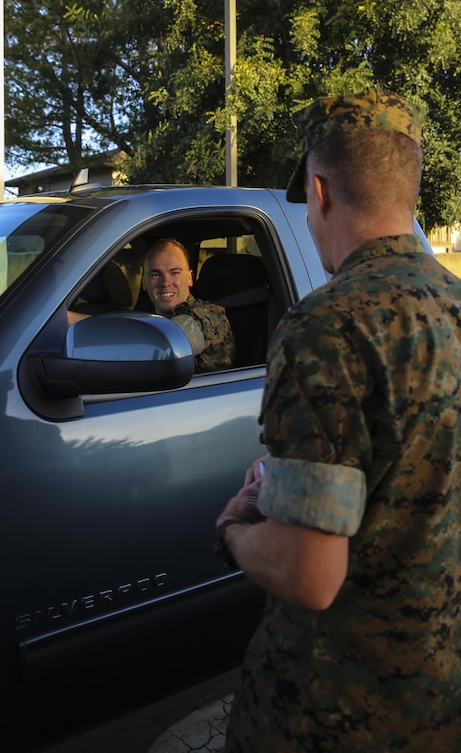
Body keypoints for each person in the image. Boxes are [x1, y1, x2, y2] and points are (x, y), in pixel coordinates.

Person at [215, 88, 461, 751]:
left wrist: (234, 527)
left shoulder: (326, 326)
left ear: (319, 193)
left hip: (331, 713)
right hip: (440, 703)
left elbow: (309, 575)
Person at [142, 238, 235, 373]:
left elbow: (161, 347)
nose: (166, 283)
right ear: (144, 282)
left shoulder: (207, 316)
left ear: (190, 278)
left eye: (175, 273)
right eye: (155, 274)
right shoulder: (147, 320)